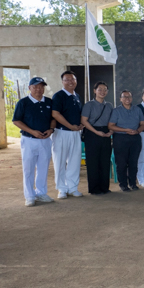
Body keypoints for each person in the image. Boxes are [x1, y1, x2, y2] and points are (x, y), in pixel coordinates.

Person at [12, 77, 56, 206]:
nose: (39, 89)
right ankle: (30, 196)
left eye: (41, 87)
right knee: (28, 169)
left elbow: (53, 118)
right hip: (29, 140)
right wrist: (32, 131)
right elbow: (16, 121)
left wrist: (51, 130)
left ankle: (41, 193)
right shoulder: (23, 103)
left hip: (45, 140)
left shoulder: (48, 102)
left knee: (43, 168)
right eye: (35, 86)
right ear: (29, 88)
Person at [51, 70, 84, 198]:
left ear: (76, 81)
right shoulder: (58, 96)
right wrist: (70, 126)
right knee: (59, 161)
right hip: (62, 132)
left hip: (75, 133)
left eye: (72, 79)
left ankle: (72, 187)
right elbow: (55, 114)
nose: (70, 82)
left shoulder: (77, 96)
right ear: (62, 82)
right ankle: (62, 189)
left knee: (75, 161)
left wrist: (80, 125)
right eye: (67, 79)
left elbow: (79, 114)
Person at [109, 90, 144, 192]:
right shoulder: (116, 111)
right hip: (120, 139)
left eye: (129, 96)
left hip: (135, 138)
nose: (127, 99)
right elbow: (111, 125)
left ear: (132, 98)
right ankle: (123, 184)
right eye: (124, 97)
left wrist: (138, 131)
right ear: (120, 99)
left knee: (133, 162)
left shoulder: (137, 109)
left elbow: (143, 123)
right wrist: (125, 130)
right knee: (121, 163)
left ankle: (133, 183)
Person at [81, 81, 114, 195]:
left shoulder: (109, 105)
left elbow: (112, 121)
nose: (102, 92)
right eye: (100, 89)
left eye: (105, 90)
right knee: (93, 162)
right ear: (94, 91)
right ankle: (94, 189)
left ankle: (105, 187)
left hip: (105, 133)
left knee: (105, 161)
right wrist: (96, 132)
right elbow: (84, 121)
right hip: (92, 133)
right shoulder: (89, 105)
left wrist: (111, 131)